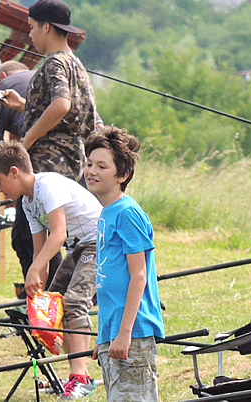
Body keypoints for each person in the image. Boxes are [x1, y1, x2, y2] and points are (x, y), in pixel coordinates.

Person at [0, 141, 101, 399]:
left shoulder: (47, 185)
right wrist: (39, 291)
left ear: (14, 172)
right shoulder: (27, 202)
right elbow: (41, 252)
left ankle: (80, 377)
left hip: (99, 243)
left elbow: (58, 234)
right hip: (77, 249)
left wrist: (33, 271)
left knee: (73, 302)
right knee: (54, 303)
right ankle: (79, 374)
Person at [85, 126, 165, 402]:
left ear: (123, 175)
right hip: (115, 334)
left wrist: (124, 334)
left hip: (133, 334)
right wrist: (104, 338)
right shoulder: (107, 212)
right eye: (89, 163)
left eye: (102, 166)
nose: (91, 171)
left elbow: (138, 276)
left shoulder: (128, 213)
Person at [1, 0, 96, 181]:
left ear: (46, 27)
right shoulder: (75, 63)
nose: (30, 34)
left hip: (48, 164)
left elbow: (61, 105)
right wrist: (22, 104)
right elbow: (69, 115)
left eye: (32, 27)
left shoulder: (54, 63)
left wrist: (29, 138)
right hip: (71, 165)